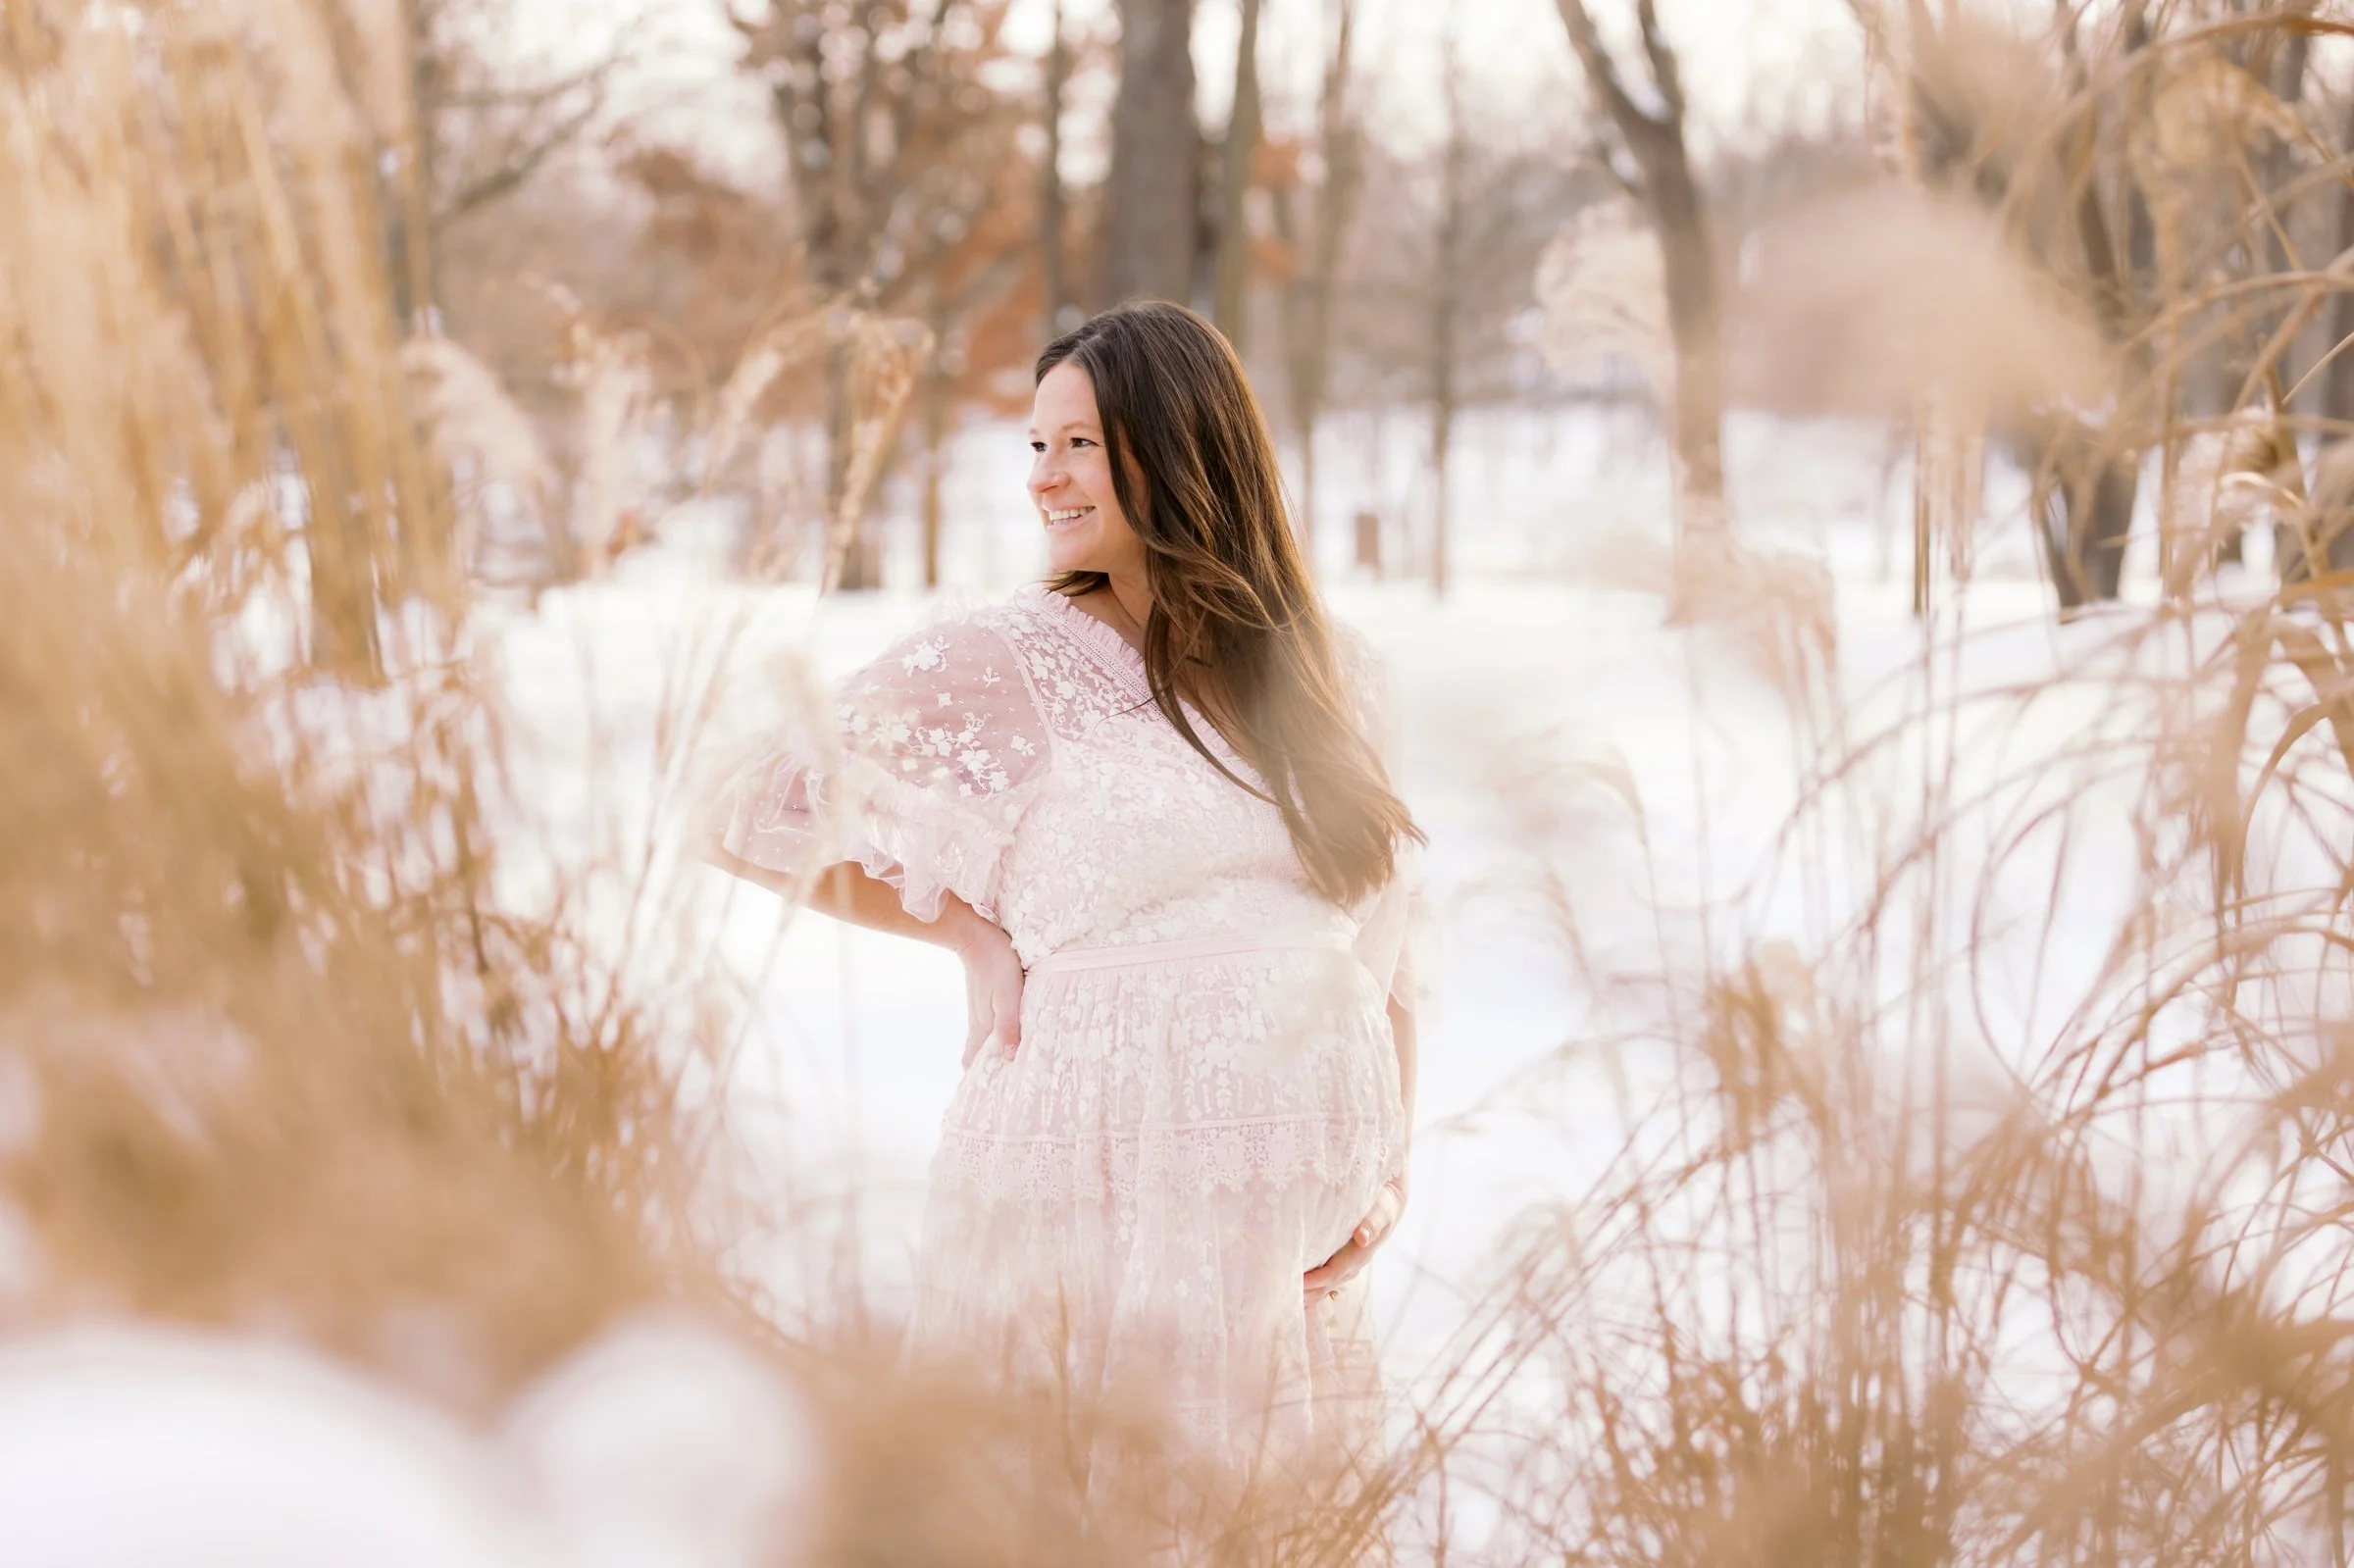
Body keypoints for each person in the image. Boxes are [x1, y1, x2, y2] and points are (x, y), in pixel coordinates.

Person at [706, 301, 1421, 1504]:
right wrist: (967, 933)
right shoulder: (1004, 659)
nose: (1045, 479)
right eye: (1034, 446)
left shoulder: (1335, 673)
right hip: (1085, 1189)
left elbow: (1395, 956)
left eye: (1078, 443)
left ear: (1185, 445)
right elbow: (743, 805)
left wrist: (1388, 1169)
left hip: (1281, 1259)